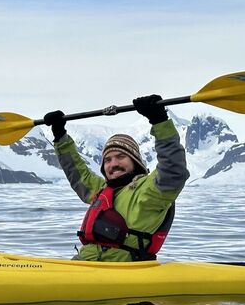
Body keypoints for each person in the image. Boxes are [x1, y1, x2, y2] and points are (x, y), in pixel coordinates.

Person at [43, 95, 189, 262]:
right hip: (84, 263)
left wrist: (159, 121)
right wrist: (60, 136)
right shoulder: (101, 190)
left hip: (121, 270)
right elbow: (78, 173)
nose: (113, 164)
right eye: (107, 159)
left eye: (121, 157)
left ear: (135, 162)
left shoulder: (150, 190)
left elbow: (173, 169)